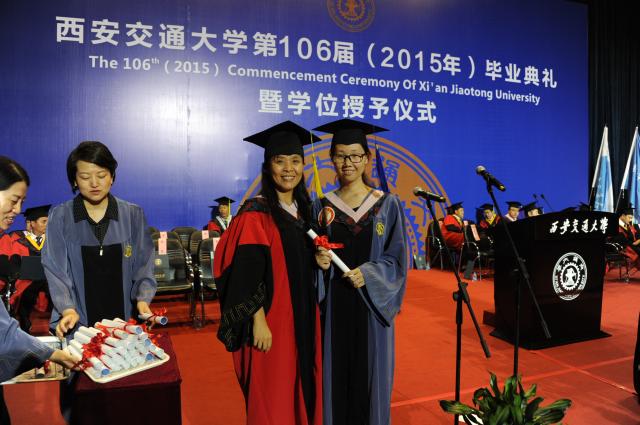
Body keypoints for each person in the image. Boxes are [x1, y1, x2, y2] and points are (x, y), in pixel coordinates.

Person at [214, 121, 322, 425]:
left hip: (303, 316)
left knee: (303, 384)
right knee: (274, 394)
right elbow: (244, 274)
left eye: (295, 161)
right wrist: (258, 320)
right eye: (280, 161)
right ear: (267, 166)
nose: (288, 169)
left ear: (303, 165)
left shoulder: (305, 211)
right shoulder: (256, 214)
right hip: (273, 321)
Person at [41, 141, 157, 420]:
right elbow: (55, 268)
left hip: (124, 321)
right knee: (83, 403)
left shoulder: (132, 214)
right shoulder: (61, 216)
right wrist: (67, 308)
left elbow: (144, 263)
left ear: (112, 176)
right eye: (85, 176)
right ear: (74, 180)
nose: (94, 183)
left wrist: (143, 300)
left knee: (125, 400)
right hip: (81, 324)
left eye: (101, 175)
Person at [312, 118, 407, 425]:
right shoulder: (321, 207)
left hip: (371, 306)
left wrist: (369, 273)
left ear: (366, 158)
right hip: (334, 309)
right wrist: (318, 263)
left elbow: (397, 260)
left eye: (355, 155)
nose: (348, 162)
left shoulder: (387, 205)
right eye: (340, 155)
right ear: (332, 159)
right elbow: (309, 259)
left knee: (370, 383)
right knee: (335, 380)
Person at [0, 156, 77, 425]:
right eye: (14, 200)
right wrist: (56, 355)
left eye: (22, 202)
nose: (17, 210)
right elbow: (3, 334)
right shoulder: (11, 241)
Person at [11, 204, 51, 331]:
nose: (47, 225)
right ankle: (24, 320)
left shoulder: (53, 240)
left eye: (48, 221)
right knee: (27, 291)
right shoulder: (19, 240)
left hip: (49, 278)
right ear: (32, 223)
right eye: (44, 221)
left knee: (57, 290)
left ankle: (57, 323)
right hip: (26, 280)